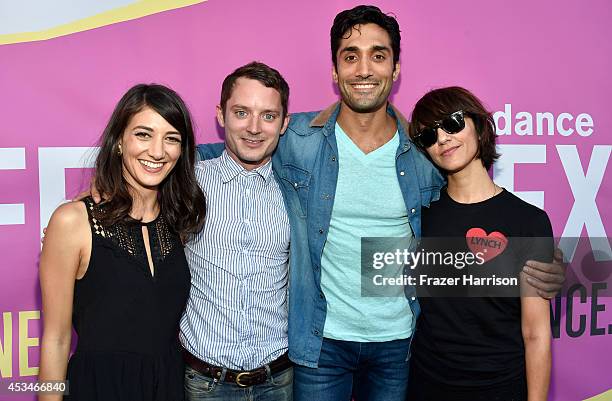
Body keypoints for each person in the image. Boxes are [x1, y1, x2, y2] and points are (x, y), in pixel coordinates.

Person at [198, 5, 565, 401]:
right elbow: (235, 148)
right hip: (322, 343)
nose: (364, 69)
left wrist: (542, 261)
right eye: (350, 56)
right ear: (335, 72)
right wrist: (148, 166)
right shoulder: (297, 138)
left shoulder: (425, 153)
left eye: (378, 55)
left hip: (399, 345)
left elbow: (470, 220)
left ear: (395, 69)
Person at [38, 84, 206, 401]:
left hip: (168, 387)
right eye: (143, 134)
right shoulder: (73, 222)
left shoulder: (179, 222)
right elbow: (56, 341)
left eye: (171, 138)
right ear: (119, 141)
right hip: (100, 388)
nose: (157, 151)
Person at [406, 86, 552, 401]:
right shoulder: (419, 219)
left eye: (453, 123)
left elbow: (536, 333)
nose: (443, 138)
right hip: (426, 386)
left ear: (478, 124)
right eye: (429, 136)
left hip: (501, 388)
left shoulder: (529, 222)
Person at [181, 62, 293, 400]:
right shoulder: (188, 182)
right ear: (221, 114)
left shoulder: (296, 190)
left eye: (269, 116)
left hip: (279, 380)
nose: (254, 128)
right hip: (204, 382)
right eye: (242, 112)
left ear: (285, 123)